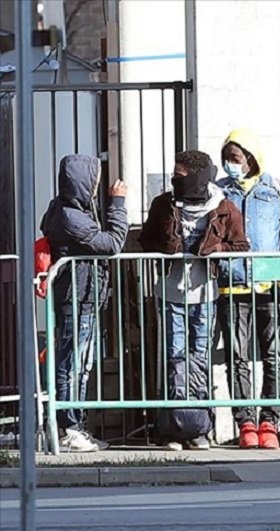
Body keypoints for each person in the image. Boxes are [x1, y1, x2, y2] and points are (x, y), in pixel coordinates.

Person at [139, 150, 249, 450]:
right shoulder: (164, 204)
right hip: (170, 292)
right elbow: (145, 239)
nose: (176, 179)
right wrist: (167, 248)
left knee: (199, 356)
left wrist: (217, 251)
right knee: (175, 356)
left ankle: (199, 427)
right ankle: (174, 429)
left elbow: (240, 244)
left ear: (198, 175)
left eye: (181, 174)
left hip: (205, 293)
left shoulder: (223, 207)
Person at [216, 128, 280, 449]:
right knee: (237, 356)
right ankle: (245, 422)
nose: (231, 164)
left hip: (272, 283)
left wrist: (279, 257)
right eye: (227, 159)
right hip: (232, 284)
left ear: (251, 158)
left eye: (236, 158)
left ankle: (270, 420)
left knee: (275, 355)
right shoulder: (219, 193)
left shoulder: (278, 190)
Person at [40, 155, 129, 452]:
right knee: (71, 363)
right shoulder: (69, 215)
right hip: (76, 297)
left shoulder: (68, 208)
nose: (98, 186)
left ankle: (74, 424)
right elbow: (112, 244)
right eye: (95, 179)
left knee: (80, 363)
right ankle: (69, 428)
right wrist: (117, 205)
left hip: (83, 295)